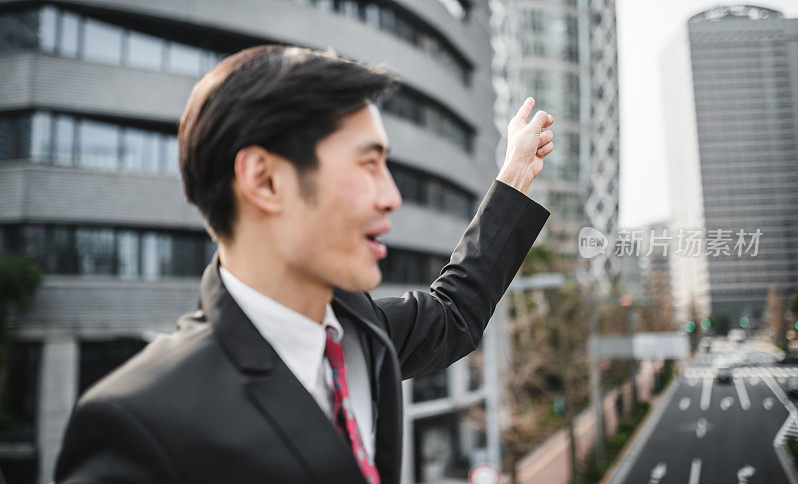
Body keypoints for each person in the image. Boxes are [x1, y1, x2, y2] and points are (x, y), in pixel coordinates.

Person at [53, 45, 554, 484]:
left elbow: (453, 314)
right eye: (367, 163)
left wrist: (513, 178)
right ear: (265, 180)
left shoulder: (361, 332)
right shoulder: (139, 423)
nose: (391, 197)